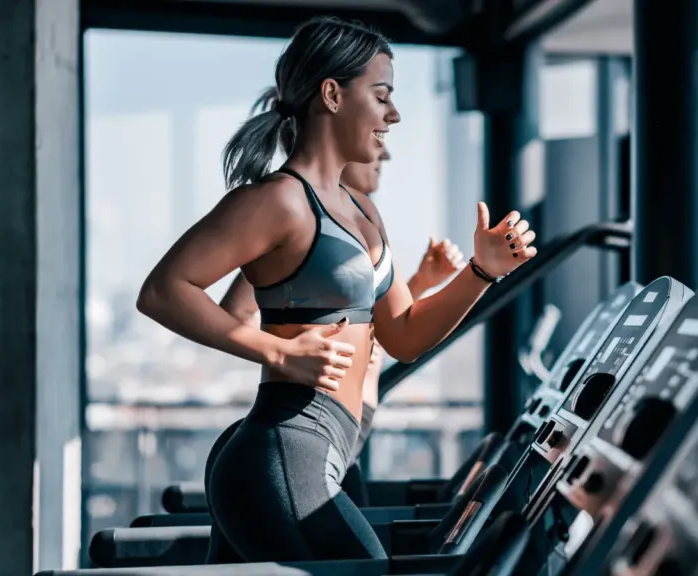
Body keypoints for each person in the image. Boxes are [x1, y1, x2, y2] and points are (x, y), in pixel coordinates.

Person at [136, 15, 537, 563]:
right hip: (283, 449)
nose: (393, 115)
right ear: (332, 93)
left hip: (322, 452)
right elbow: (164, 291)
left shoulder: (363, 211)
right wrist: (276, 349)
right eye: (381, 96)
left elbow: (404, 336)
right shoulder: (278, 201)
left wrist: (481, 273)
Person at [216, 148, 467, 509]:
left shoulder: (361, 216)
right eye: (376, 142)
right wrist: (285, 351)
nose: (386, 155)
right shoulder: (296, 220)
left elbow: (372, 322)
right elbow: (238, 311)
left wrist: (421, 283)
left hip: (345, 426)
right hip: (309, 424)